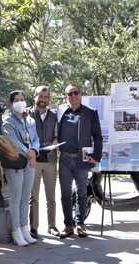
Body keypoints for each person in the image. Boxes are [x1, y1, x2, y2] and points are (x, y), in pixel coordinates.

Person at [56, 84, 102, 238]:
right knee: (65, 193)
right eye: (70, 94)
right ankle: (68, 225)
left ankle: (80, 224)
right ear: (66, 96)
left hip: (82, 159)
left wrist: (96, 156)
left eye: (76, 93)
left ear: (81, 95)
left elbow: (97, 136)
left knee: (82, 192)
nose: (73, 96)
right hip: (64, 159)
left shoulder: (90, 113)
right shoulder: (61, 112)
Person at [2, 91, 40, 246]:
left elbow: (36, 139)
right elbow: (13, 142)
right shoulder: (7, 122)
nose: (20, 102)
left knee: (26, 198)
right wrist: (29, 153)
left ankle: (25, 228)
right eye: (16, 100)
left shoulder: (30, 121)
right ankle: (16, 231)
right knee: (16, 199)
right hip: (16, 163)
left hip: (29, 164)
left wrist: (34, 151)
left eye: (22, 99)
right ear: (11, 104)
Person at [28, 86, 60, 238]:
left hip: (50, 160)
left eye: (46, 97)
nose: (43, 100)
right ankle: (33, 228)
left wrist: (55, 141)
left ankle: (52, 226)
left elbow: (57, 134)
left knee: (51, 196)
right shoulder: (26, 114)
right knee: (33, 196)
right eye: (41, 96)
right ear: (34, 97)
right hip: (33, 161)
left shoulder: (54, 116)